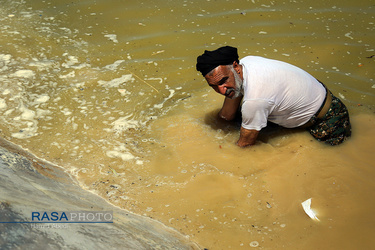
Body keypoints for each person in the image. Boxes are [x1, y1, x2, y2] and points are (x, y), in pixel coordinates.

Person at [196, 46, 351, 147]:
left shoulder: (255, 100)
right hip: (317, 97)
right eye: (214, 86)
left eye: (223, 81)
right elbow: (226, 115)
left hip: (329, 121)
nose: (221, 90)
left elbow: (244, 146)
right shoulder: (246, 63)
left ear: (235, 67)